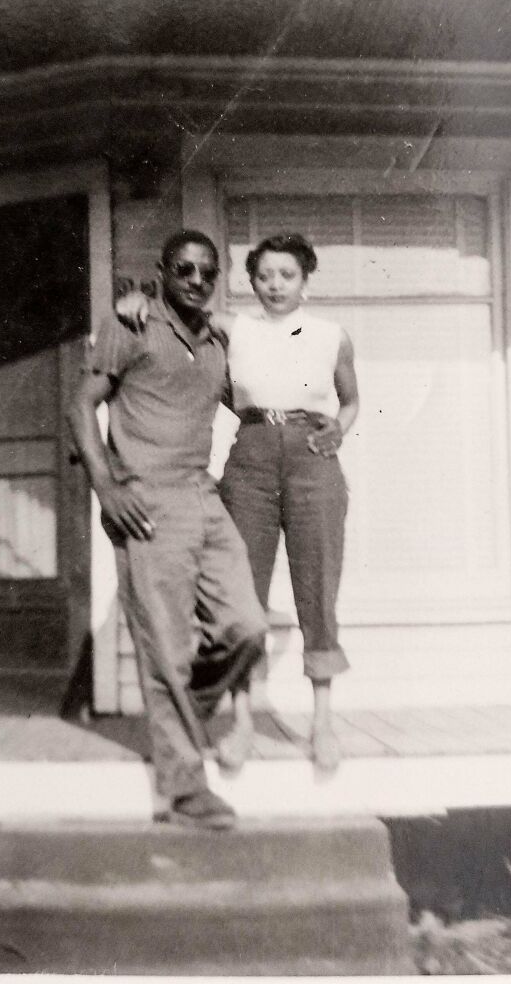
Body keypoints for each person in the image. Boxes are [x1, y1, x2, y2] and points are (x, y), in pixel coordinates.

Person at [117, 232, 359, 773]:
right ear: (251, 281)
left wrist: (338, 430)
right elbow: (172, 307)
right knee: (240, 596)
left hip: (312, 463)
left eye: (287, 275)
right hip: (249, 458)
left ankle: (322, 723)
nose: (275, 285)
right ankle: (243, 724)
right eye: (264, 276)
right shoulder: (232, 327)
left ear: (305, 280)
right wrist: (133, 298)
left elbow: (351, 400)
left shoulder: (331, 336)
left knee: (317, 590)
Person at [68, 229, 267, 830]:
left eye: (209, 273)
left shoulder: (217, 342)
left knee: (246, 626)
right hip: (146, 502)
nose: (198, 282)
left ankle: (181, 717)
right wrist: (107, 488)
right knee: (167, 650)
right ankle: (184, 790)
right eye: (185, 270)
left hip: (201, 495)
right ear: (162, 272)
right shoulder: (130, 326)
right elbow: (81, 406)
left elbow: (254, 400)